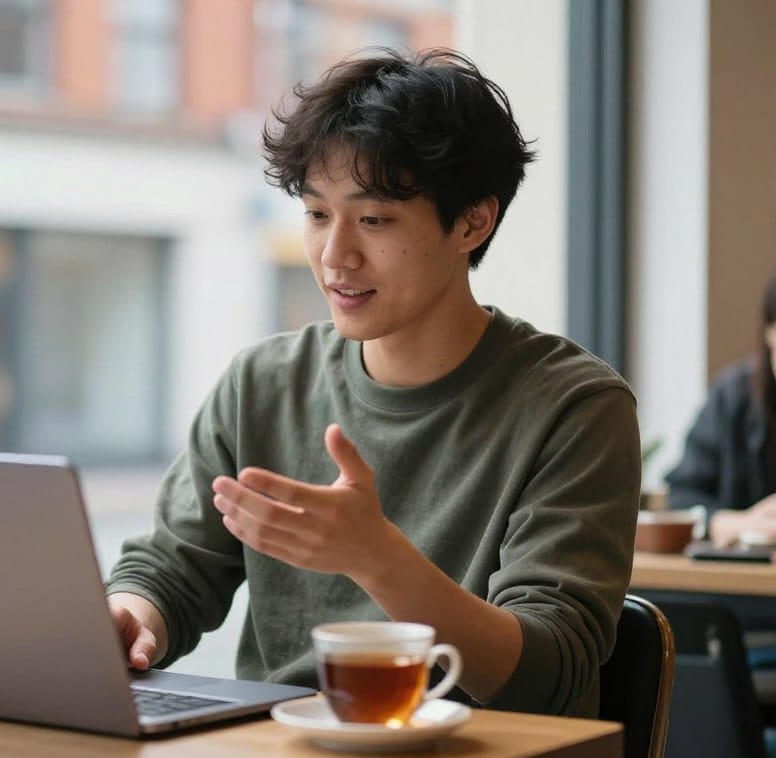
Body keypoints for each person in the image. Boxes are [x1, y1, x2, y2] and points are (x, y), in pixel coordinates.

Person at [104, 48, 640, 718]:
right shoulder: (262, 384)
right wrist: (131, 618)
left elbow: (548, 671)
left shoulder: (575, 407)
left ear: (474, 220)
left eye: (374, 219)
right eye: (317, 214)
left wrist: (377, 557)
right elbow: (173, 569)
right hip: (282, 750)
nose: (335, 256)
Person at [665, 271, 776, 546]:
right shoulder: (732, 398)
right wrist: (736, 524)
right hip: (741, 580)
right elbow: (681, 496)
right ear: (769, 333)